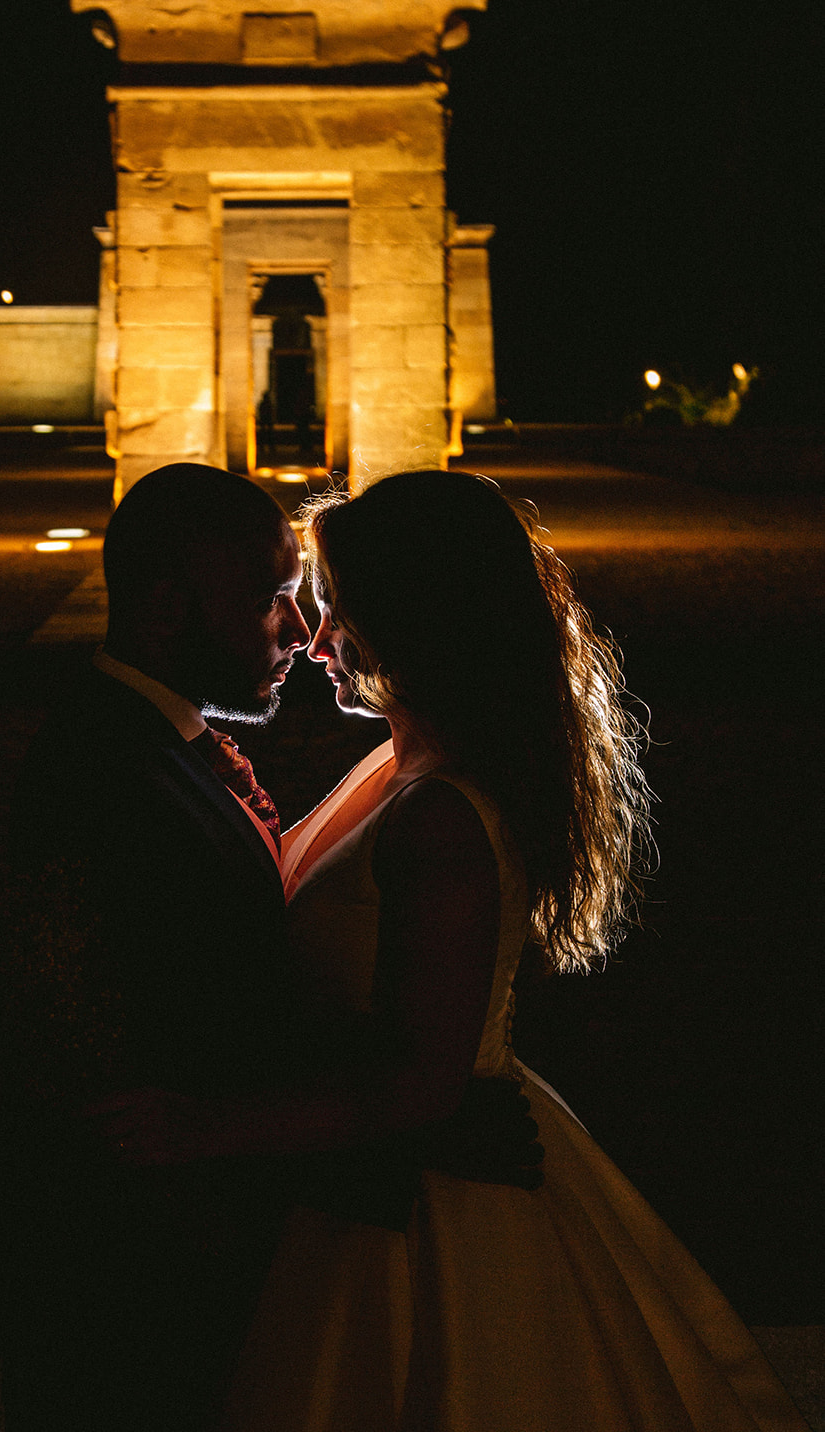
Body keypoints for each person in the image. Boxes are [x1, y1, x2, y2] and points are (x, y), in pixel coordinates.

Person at [104, 470, 808, 1431]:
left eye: (335, 613)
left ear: (413, 619)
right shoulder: (395, 765)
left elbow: (426, 1083)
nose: (310, 643)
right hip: (367, 1177)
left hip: (430, 1210)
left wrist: (213, 1126)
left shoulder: (441, 816)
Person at [0, 463, 541, 1432]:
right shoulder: (133, 771)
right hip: (155, 1252)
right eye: (277, 599)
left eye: (325, 603)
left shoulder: (398, 795)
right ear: (173, 605)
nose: (306, 634)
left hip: (354, 1219)